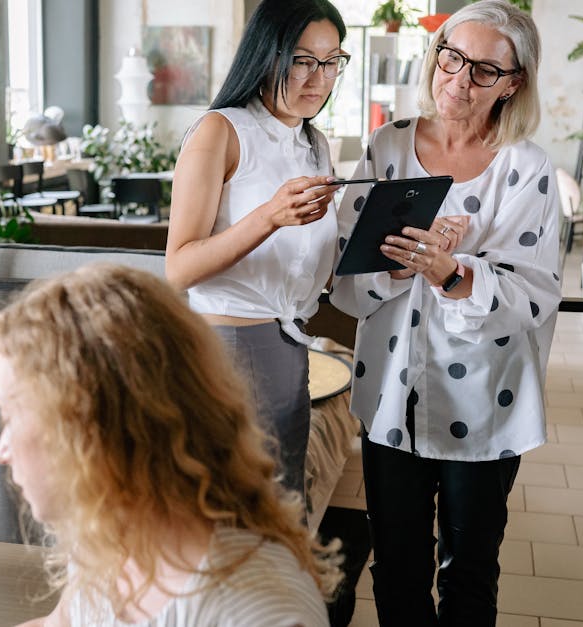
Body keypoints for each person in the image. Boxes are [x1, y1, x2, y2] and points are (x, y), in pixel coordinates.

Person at [329, 2, 561, 625]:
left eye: (485, 69)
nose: (459, 79)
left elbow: (535, 296)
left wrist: (454, 272)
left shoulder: (527, 167)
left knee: (470, 571)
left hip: (486, 401)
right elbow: (344, 278)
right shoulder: (387, 146)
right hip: (390, 392)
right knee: (397, 567)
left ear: (514, 82)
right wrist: (405, 265)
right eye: (451, 58)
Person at [0, 263, 340, 627]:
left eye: (11, 415)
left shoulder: (258, 611)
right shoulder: (110, 533)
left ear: (91, 430)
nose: (2, 451)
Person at [164, 0, 348, 500]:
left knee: (282, 508)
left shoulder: (314, 143)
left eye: (331, 61)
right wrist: (269, 215)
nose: (319, 77)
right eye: (303, 59)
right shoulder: (219, 131)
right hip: (230, 346)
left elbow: (313, 264)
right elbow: (178, 268)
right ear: (267, 55)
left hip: (291, 343)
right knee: (239, 513)